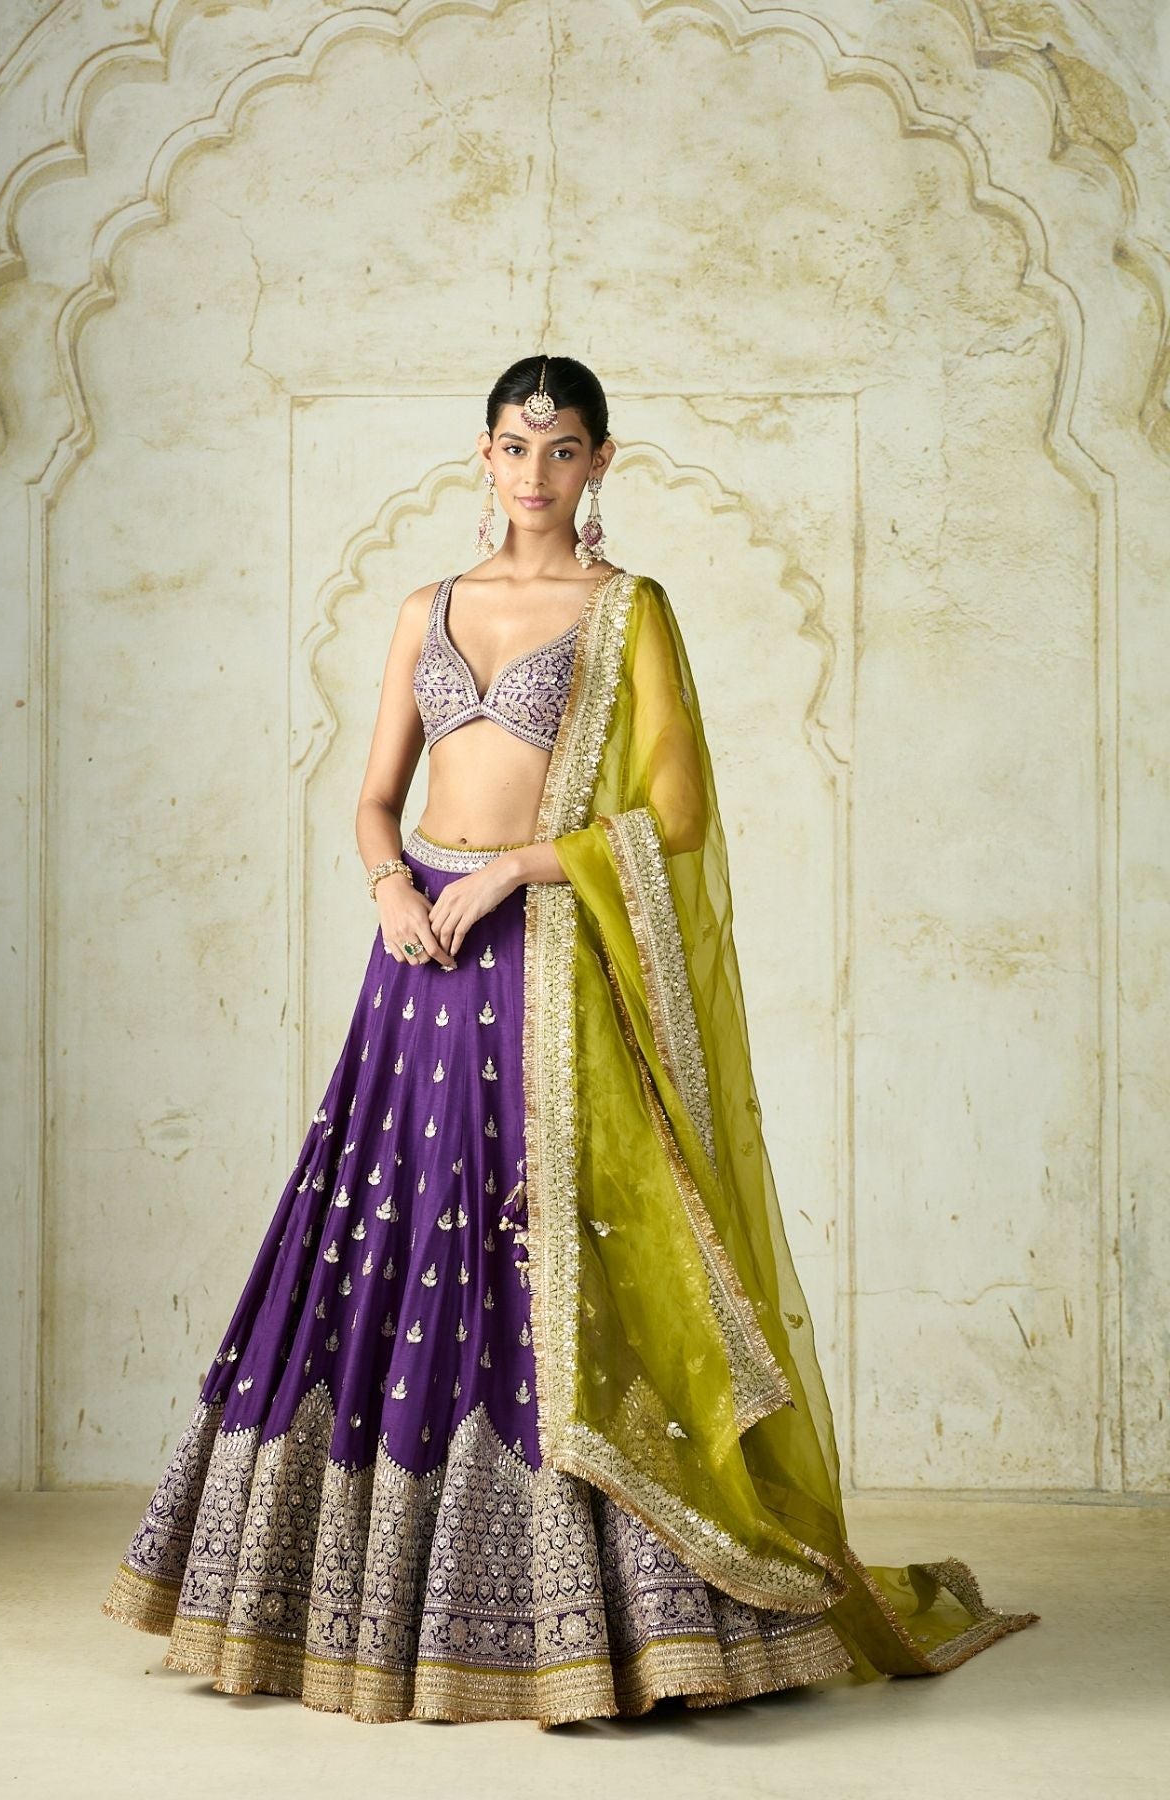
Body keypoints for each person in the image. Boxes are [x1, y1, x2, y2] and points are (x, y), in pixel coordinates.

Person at [102, 354, 1037, 1728]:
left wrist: (520, 868)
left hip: (543, 961)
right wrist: (391, 886)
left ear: (600, 462)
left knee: (540, 1240)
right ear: (480, 455)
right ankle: (357, 1594)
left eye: (561, 449)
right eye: (512, 446)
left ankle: (604, 1609)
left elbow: (678, 814)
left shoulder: (627, 610)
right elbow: (374, 797)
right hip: (417, 963)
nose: (533, 472)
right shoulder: (427, 606)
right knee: (394, 1231)